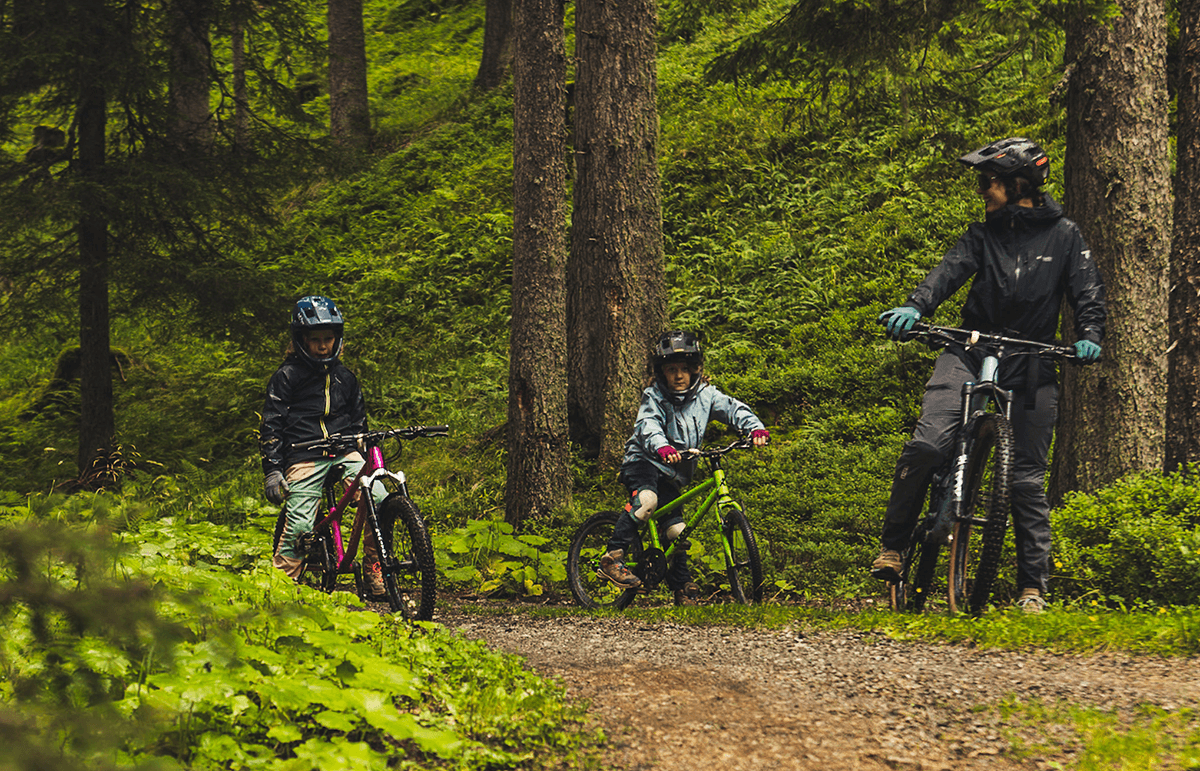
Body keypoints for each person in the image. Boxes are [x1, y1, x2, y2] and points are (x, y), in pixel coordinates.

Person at [870, 137, 1106, 613]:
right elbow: (948, 272)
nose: (982, 190)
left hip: (1032, 361)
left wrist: (1091, 334)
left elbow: (1086, 292)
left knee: (1024, 482)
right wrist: (916, 307)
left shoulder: (1065, 237)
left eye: (989, 182)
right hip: (970, 351)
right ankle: (893, 546)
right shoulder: (982, 236)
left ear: (1020, 185)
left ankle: (1032, 590)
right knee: (926, 446)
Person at [598, 330, 771, 606]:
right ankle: (613, 556)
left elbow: (733, 409)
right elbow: (648, 424)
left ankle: (681, 587)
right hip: (644, 461)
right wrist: (661, 446)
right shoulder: (653, 396)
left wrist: (755, 428)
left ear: (695, 370)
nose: (678, 376)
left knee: (677, 531)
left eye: (684, 369)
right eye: (671, 370)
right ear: (662, 373)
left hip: (674, 471)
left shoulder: (706, 395)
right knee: (646, 501)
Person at [260, 295, 387, 597]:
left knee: (379, 497)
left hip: (345, 451)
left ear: (337, 339)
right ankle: (279, 591)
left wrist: (365, 453)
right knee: (301, 525)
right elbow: (271, 425)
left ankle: (375, 567)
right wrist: (273, 470)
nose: (322, 346)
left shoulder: (345, 378)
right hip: (304, 455)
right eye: (314, 339)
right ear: (300, 340)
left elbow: (359, 422)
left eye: (328, 339)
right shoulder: (286, 377)